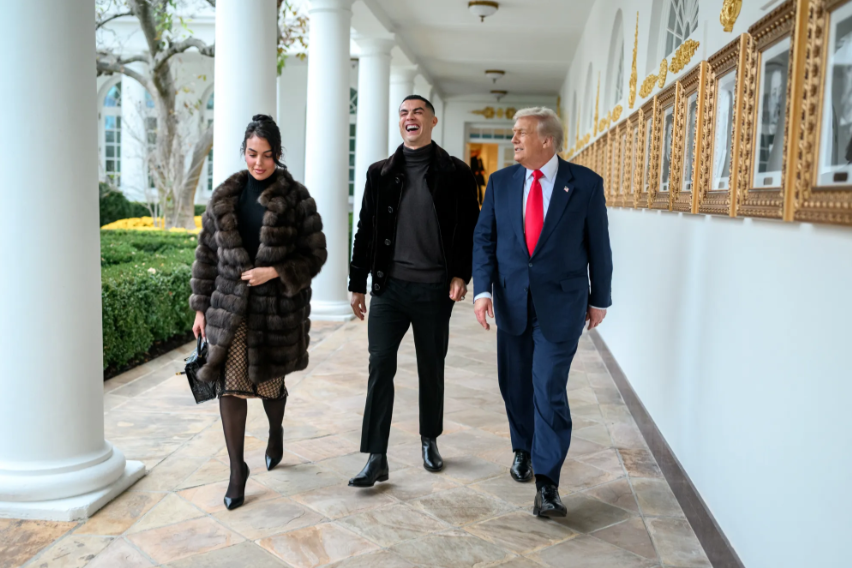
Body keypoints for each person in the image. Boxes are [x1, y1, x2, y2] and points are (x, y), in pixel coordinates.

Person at [471, 107, 613, 517]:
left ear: (546, 140)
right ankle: (523, 448)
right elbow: (485, 241)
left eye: (521, 133)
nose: (513, 139)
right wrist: (483, 292)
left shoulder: (584, 185)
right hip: (512, 302)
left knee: (548, 388)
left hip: (562, 306)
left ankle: (548, 484)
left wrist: (598, 298)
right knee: (515, 385)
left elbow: (599, 247)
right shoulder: (499, 184)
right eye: (513, 133)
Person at [189, 114, 327, 510]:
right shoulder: (224, 198)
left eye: (267, 155)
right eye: (252, 154)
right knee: (229, 387)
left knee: (269, 387)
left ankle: (276, 430)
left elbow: (314, 254)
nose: (259, 163)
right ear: (243, 152)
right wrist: (200, 307)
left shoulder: (297, 199)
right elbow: (206, 257)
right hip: (230, 309)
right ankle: (237, 470)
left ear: (278, 155)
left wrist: (277, 271)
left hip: (276, 311)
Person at [348, 95, 480, 487]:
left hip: (435, 290)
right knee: (379, 368)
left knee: (431, 368)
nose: (410, 118)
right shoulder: (380, 173)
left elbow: (468, 230)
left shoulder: (456, 173)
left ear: (433, 121)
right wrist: (357, 283)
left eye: (417, 112)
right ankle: (376, 456)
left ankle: (429, 440)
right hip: (389, 289)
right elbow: (365, 230)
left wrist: (461, 274)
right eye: (404, 113)